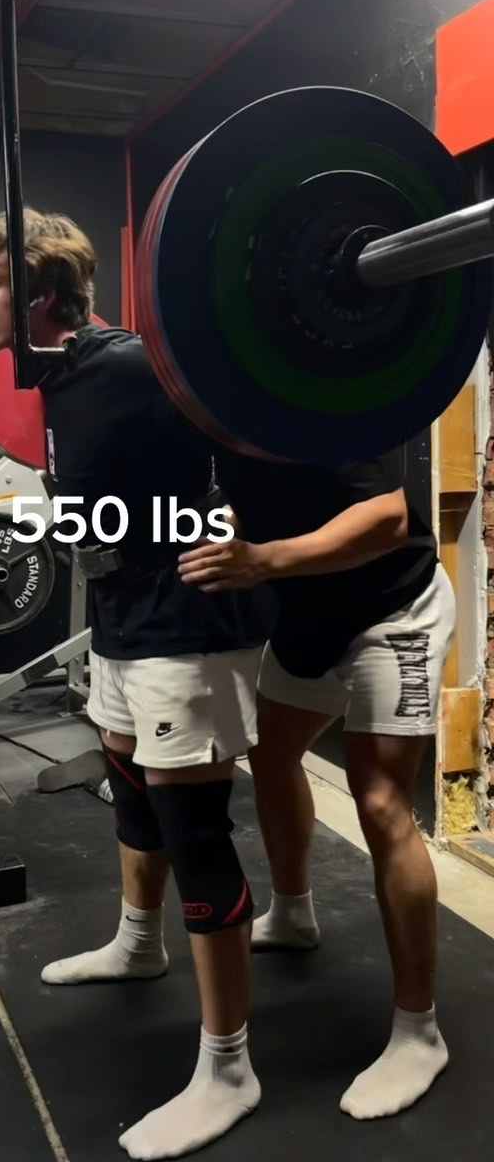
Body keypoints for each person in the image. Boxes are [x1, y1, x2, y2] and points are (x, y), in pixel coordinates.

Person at [0, 208, 274, 1161]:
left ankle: (230, 1069)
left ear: (43, 293)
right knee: (130, 789)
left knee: (194, 831)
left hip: (186, 624)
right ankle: (139, 941)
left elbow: (251, 440)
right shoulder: (55, 378)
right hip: (122, 618)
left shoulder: (134, 367)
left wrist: (243, 532)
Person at [178, 450, 455, 1123]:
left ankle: (419, 1033)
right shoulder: (219, 420)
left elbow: (388, 518)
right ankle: (294, 914)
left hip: (396, 609)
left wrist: (263, 559)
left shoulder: (318, 415)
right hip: (310, 611)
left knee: (381, 800)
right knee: (271, 754)